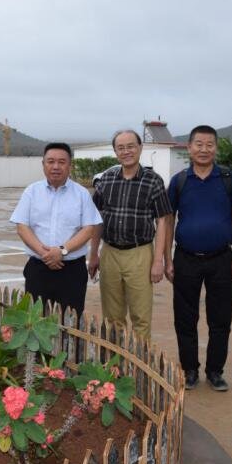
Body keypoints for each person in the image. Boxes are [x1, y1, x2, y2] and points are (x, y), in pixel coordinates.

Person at [164, 125, 232, 391]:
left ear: (216, 148)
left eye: (209, 144)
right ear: (189, 147)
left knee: (220, 319)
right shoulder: (179, 181)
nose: (204, 149)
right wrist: (166, 258)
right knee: (185, 318)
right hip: (186, 258)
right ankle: (189, 370)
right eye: (198, 144)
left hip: (221, 258)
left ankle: (215, 371)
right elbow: (168, 220)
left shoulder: (227, 177)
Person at [88, 129, 172, 340]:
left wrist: (158, 260)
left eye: (131, 146)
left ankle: (140, 367)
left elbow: (162, 220)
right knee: (112, 317)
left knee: (140, 317)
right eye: (121, 148)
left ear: (140, 148)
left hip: (140, 254)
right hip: (110, 253)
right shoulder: (106, 180)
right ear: (116, 151)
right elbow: (96, 218)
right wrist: (94, 254)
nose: (126, 152)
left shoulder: (153, 181)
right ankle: (116, 366)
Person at [10, 142, 102, 313]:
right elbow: (22, 226)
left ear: (69, 165)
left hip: (72, 270)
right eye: (50, 161)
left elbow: (88, 229)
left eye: (61, 162)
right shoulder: (32, 192)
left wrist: (62, 251)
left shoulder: (81, 194)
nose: (56, 166)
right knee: (36, 321)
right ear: (43, 164)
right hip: (38, 267)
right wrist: (45, 253)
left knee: (70, 323)